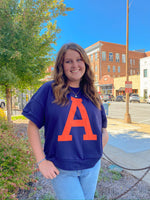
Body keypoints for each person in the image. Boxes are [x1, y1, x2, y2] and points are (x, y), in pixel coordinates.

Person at [22, 43, 109, 200]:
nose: (75, 65)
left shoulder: (92, 93)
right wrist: (41, 161)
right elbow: (32, 126)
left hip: (92, 167)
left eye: (79, 60)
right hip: (62, 168)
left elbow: (102, 127)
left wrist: (99, 148)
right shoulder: (49, 89)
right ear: (61, 65)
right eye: (68, 61)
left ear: (85, 64)